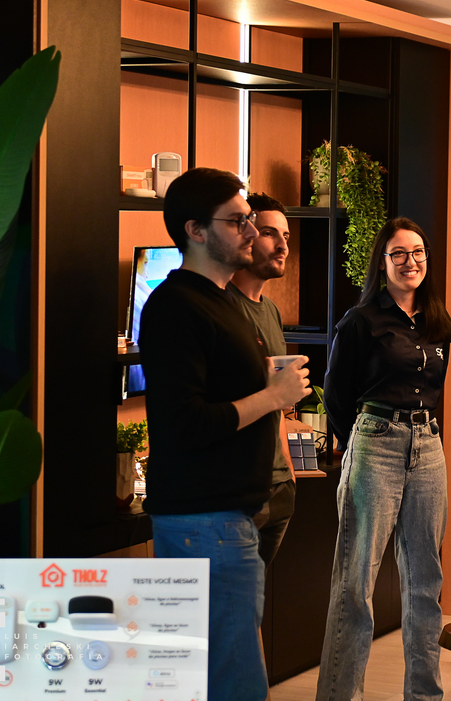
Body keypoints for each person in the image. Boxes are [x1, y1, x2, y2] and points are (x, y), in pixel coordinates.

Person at [140, 168, 310, 701]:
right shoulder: (175, 306)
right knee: (235, 681)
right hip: (204, 519)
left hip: (229, 514)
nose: (252, 232)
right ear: (195, 230)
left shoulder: (226, 302)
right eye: (238, 222)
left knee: (221, 674)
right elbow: (185, 423)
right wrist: (273, 397)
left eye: (250, 220)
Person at [317, 217, 451, 701]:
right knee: (356, 582)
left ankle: (424, 695)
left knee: (425, 584)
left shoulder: (437, 320)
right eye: (399, 253)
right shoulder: (361, 320)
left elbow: (436, 389)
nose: (410, 261)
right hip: (376, 441)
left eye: (418, 252)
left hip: (429, 448)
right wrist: (360, 439)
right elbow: (336, 396)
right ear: (382, 262)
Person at [226, 191, 298, 568]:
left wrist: (288, 471)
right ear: (245, 235)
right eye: (270, 233)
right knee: (228, 598)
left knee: (253, 597)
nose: (282, 245)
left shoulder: (270, 310)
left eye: (285, 235)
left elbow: (279, 401)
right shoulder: (222, 308)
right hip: (238, 492)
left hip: (278, 487)